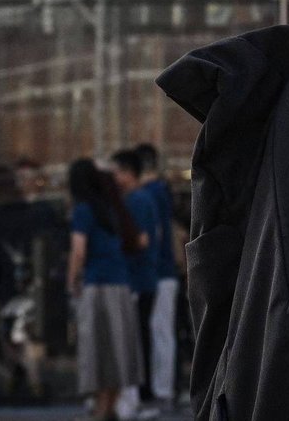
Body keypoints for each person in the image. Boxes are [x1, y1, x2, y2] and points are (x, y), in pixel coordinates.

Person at [67, 158, 144, 421]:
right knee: (118, 351)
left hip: (97, 285)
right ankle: (108, 408)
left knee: (97, 351)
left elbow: (78, 251)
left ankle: (101, 411)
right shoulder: (111, 209)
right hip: (120, 285)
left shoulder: (83, 210)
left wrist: (71, 281)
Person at [111, 149, 161, 420]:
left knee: (137, 340)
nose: (115, 178)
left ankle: (143, 395)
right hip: (143, 278)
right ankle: (144, 394)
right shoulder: (140, 199)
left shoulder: (138, 201)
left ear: (129, 173)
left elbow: (141, 240)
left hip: (138, 279)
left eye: (117, 172)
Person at [134, 144, 178, 404]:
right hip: (164, 269)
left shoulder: (150, 194)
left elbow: (157, 233)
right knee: (161, 332)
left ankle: (161, 388)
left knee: (159, 332)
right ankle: (163, 386)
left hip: (157, 269)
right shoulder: (161, 191)